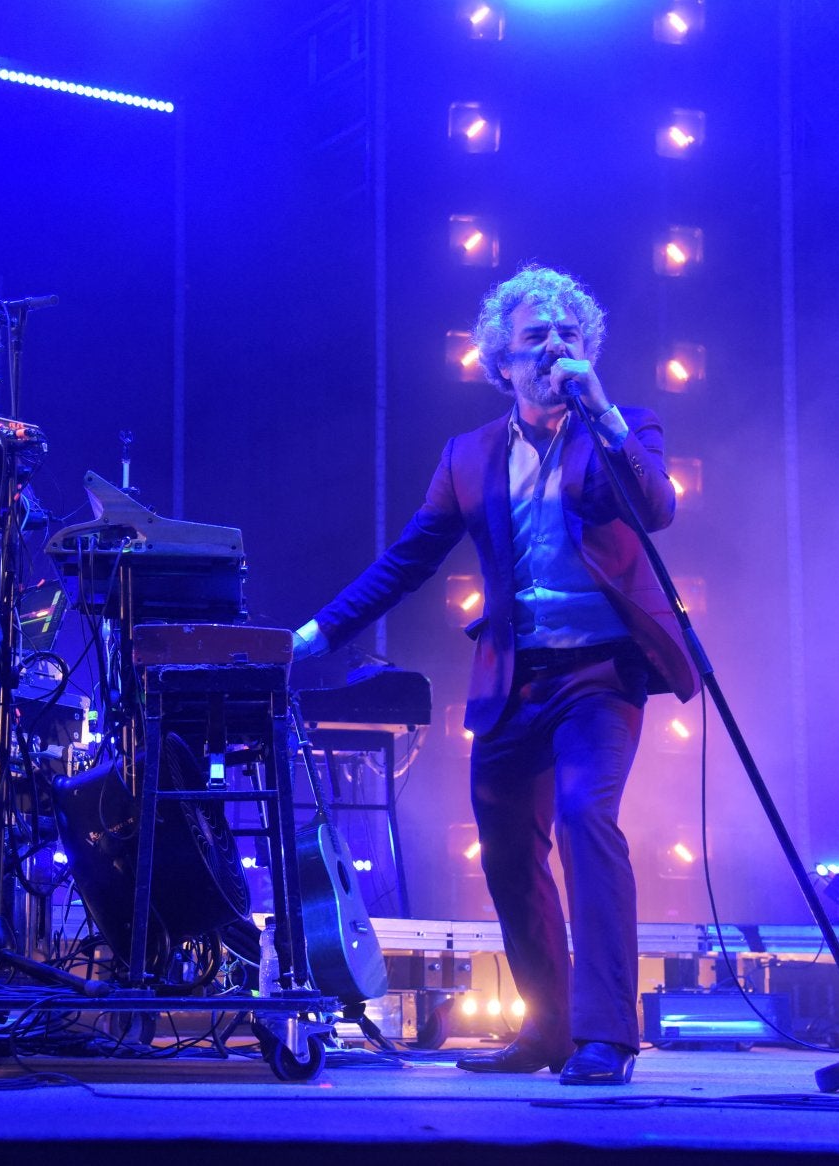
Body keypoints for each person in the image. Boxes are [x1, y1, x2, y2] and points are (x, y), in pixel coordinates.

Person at [293, 265, 697, 1085]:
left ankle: (607, 1036)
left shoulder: (626, 427)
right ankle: (547, 1032)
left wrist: (607, 413)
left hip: (600, 677)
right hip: (514, 678)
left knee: (589, 816)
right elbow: (409, 560)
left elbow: (656, 509)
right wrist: (316, 632)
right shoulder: (468, 456)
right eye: (535, 340)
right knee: (508, 851)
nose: (554, 348)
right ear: (499, 365)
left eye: (569, 336)